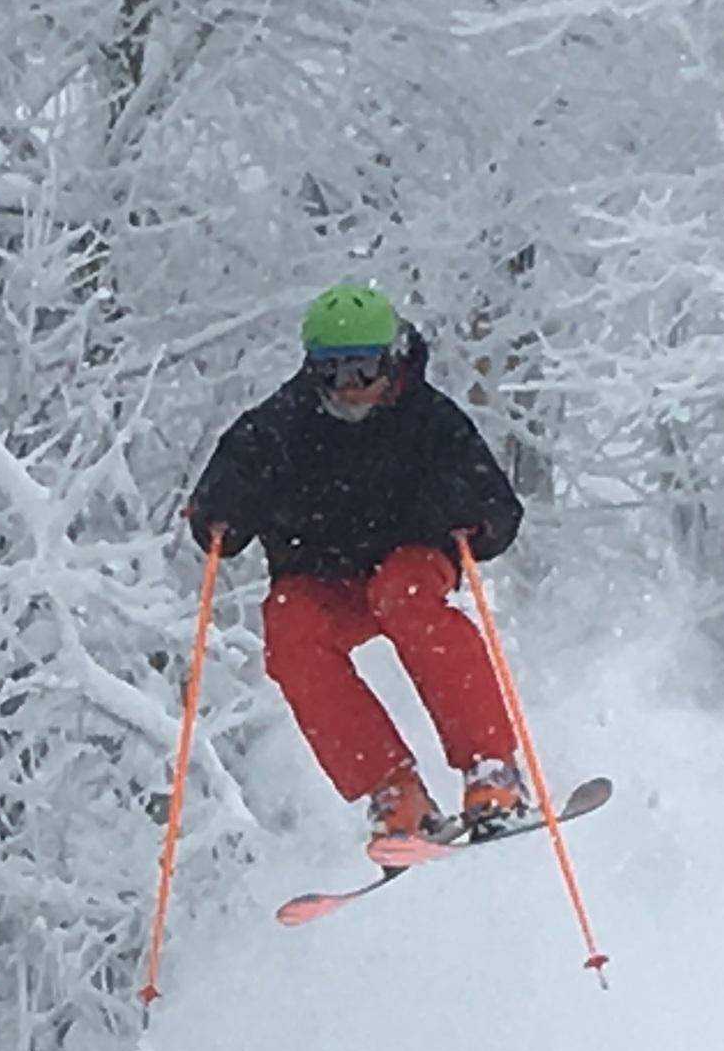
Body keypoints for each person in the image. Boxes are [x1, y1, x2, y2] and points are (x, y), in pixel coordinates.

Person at [186, 284, 528, 852]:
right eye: (333, 373)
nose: (351, 390)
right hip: (321, 572)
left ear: (393, 358)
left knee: (404, 597)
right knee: (290, 628)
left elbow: (498, 507)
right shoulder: (280, 426)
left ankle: (491, 769)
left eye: (363, 370)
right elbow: (226, 487)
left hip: (407, 556)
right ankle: (395, 793)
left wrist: (472, 515)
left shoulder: (429, 420)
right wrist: (219, 514)